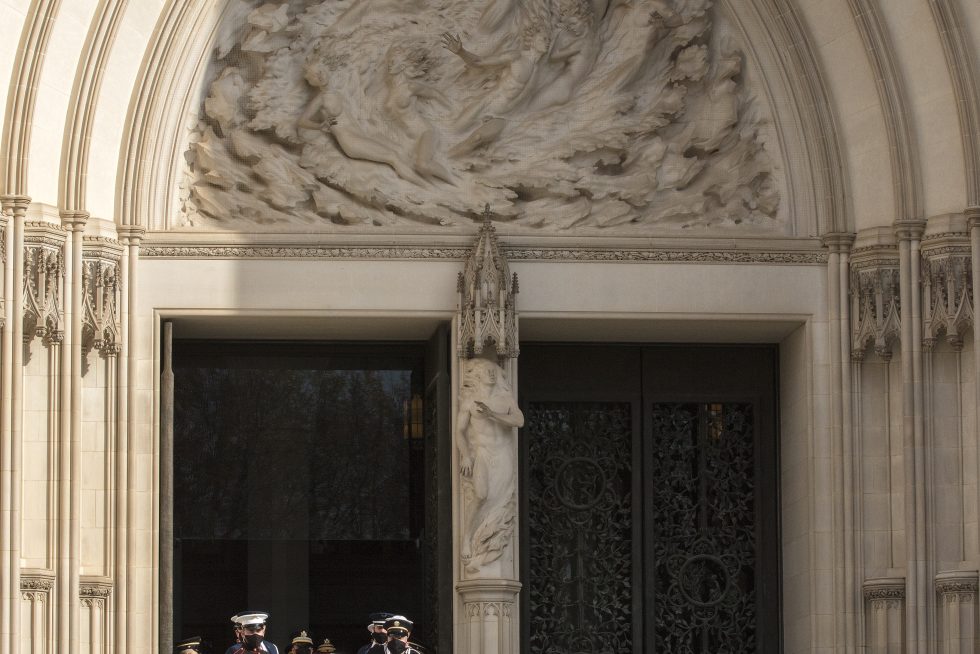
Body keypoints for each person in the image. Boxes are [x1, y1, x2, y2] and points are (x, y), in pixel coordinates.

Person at [455, 358, 524, 573]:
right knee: (481, 495)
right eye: (486, 370)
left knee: (501, 501)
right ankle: (467, 537)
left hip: (503, 455)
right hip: (483, 454)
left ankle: (488, 549)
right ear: (477, 375)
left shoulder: (505, 398)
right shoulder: (469, 401)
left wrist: (492, 414)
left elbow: (519, 421)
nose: (491, 373)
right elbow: (459, 431)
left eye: (493, 370)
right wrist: (466, 455)